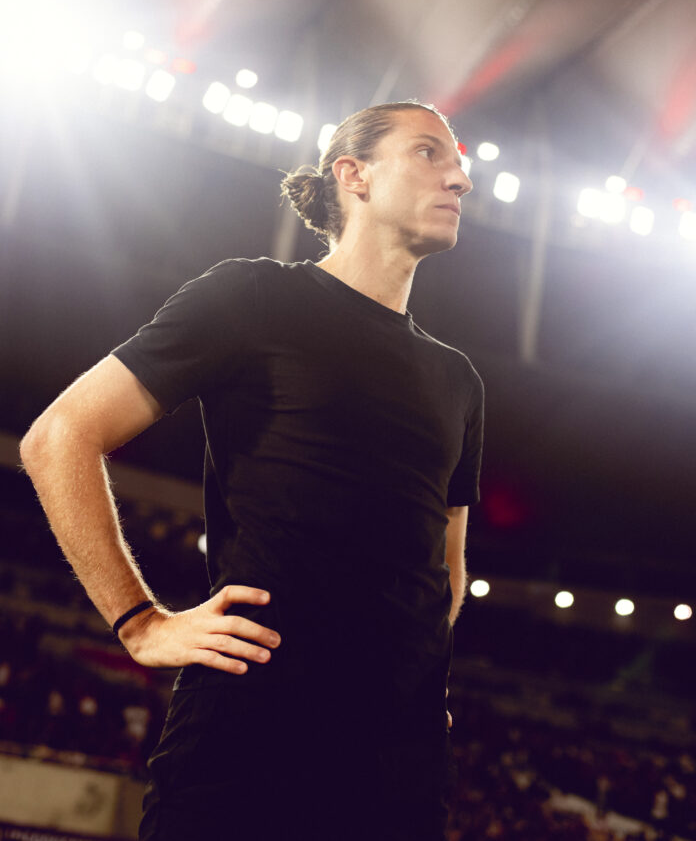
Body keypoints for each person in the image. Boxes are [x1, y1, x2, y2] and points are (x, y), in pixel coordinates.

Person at [20, 100, 483, 840]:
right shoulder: (254, 297)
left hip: (401, 768)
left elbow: (446, 569)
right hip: (249, 740)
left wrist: (411, 679)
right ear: (354, 175)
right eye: (429, 153)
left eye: (459, 164)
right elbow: (59, 437)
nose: (459, 178)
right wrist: (140, 624)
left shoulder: (458, 380)